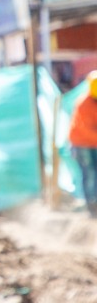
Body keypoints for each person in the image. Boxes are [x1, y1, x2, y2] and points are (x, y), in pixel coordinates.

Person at [68, 76, 97, 217]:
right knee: (89, 173)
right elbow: (87, 131)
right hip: (82, 143)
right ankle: (91, 204)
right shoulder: (84, 104)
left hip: (93, 142)